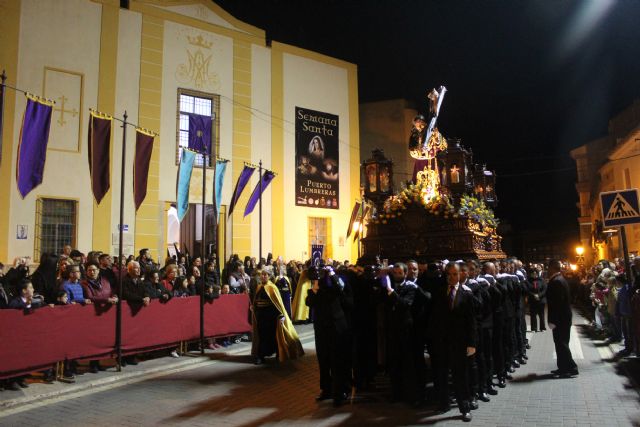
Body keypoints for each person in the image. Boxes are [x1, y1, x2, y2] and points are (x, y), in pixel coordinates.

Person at [428, 262, 476, 422]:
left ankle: (465, 407)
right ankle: (444, 404)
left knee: (460, 376)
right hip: (441, 343)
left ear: (460, 275)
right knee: (441, 375)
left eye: (454, 274)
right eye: (448, 274)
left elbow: (471, 321)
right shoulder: (439, 292)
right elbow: (434, 318)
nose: (451, 277)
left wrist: (471, 343)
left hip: (459, 343)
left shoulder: (467, 294)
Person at [382, 262, 430, 406]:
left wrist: (391, 293)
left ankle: (411, 394)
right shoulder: (388, 287)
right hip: (392, 329)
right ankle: (396, 393)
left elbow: (405, 304)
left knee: (408, 363)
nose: (397, 275)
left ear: (405, 273)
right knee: (394, 362)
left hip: (406, 330)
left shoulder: (410, 288)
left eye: (400, 273)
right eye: (395, 273)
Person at [305, 263, 353, 407]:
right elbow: (309, 302)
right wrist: (314, 287)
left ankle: (341, 391)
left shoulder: (337, 282)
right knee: (324, 360)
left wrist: (332, 275)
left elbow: (342, 290)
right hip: (321, 328)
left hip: (337, 327)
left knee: (338, 361)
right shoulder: (317, 286)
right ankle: (326, 389)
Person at [251, 269, 303, 365]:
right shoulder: (259, 287)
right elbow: (256, 300)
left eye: (265, 274)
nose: (263, 276)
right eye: (262, 274)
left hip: (271, 315)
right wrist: (254, 306)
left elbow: (278, 304)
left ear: (269, 276)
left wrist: (280, 315)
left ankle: (278, 353)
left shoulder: (272, 287)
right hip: (261, 316)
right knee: (262, 335)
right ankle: (261, 356)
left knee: (273, 335)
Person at [547, 260, 578, 377]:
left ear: (553, 268)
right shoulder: (559, 279)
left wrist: (553, 320)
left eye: (549, 268)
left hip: (561, 319)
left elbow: (557, 304)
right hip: (563, 318)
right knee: (560, 343)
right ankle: (562, 367)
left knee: (562, 343)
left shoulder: (557, 281)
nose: (547, 270)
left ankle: (571, 367)